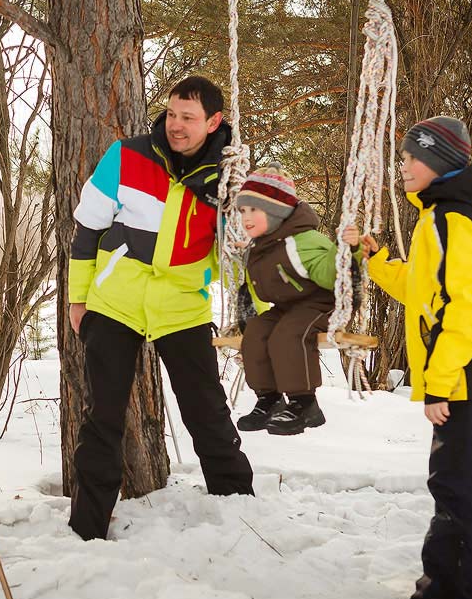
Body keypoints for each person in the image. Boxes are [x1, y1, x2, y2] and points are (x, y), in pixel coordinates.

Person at [67, 75, 256, 541]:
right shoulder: (127, 155)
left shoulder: (229, 177)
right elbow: (87, 230)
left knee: (206, 412)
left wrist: (258, 315)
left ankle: (241, 517)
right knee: (103, 417)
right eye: (172, 114)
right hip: (115, 302)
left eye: (188, 118)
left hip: (183, 305)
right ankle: (87, 530)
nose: (175, 125)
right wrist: (78, 299)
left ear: (214, 122)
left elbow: (245, 251)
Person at [344, 116, 472, 599]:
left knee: (456, 482)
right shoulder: (443, 217)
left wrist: (439, 384)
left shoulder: (451, 220)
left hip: (466, 371)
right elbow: (422, 290)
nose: (403, 166)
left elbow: (464, 308)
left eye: (410, 157)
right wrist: (374, 257)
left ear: (438, 162)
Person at [233, 163, 339, 435]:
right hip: (287, 307)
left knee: (289, 333)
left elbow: (331, 277)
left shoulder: (304, 241)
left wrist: (346, 254)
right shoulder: (261, 246)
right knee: (256, 332)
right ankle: (269, 400)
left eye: (254, 210)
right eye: (243, 210)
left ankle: (305, 403)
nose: (246, 217)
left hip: (322, 304)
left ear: (277, 212)